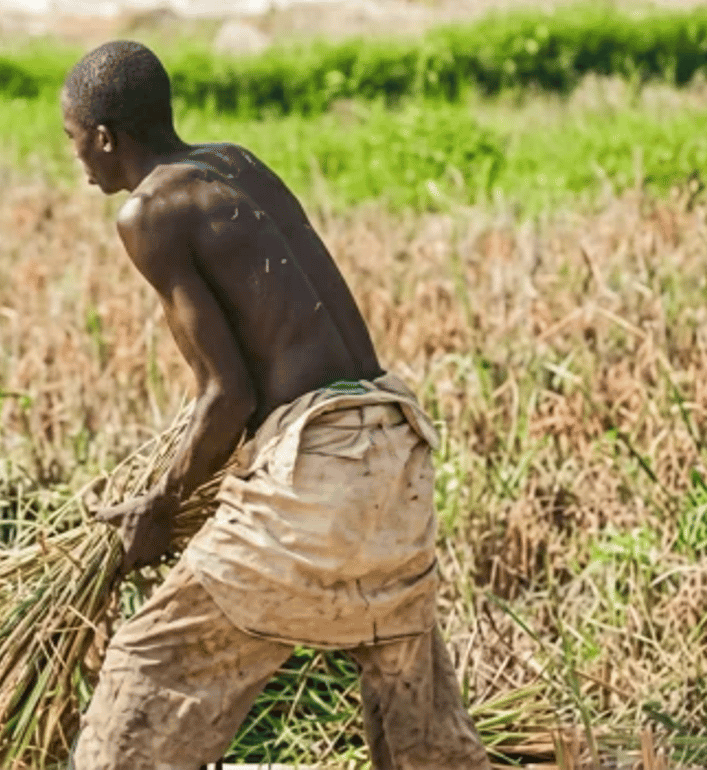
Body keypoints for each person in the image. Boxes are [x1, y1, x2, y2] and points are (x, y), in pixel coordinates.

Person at [61, 40, 491, 770]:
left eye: (74, 143)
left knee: (144, 668)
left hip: (317, 475)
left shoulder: (148, 213)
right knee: (422, 737)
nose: (77, 163)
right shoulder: (239, 163)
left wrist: (160, 507)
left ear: (106, 137)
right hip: (394, 451)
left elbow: (228, 394)